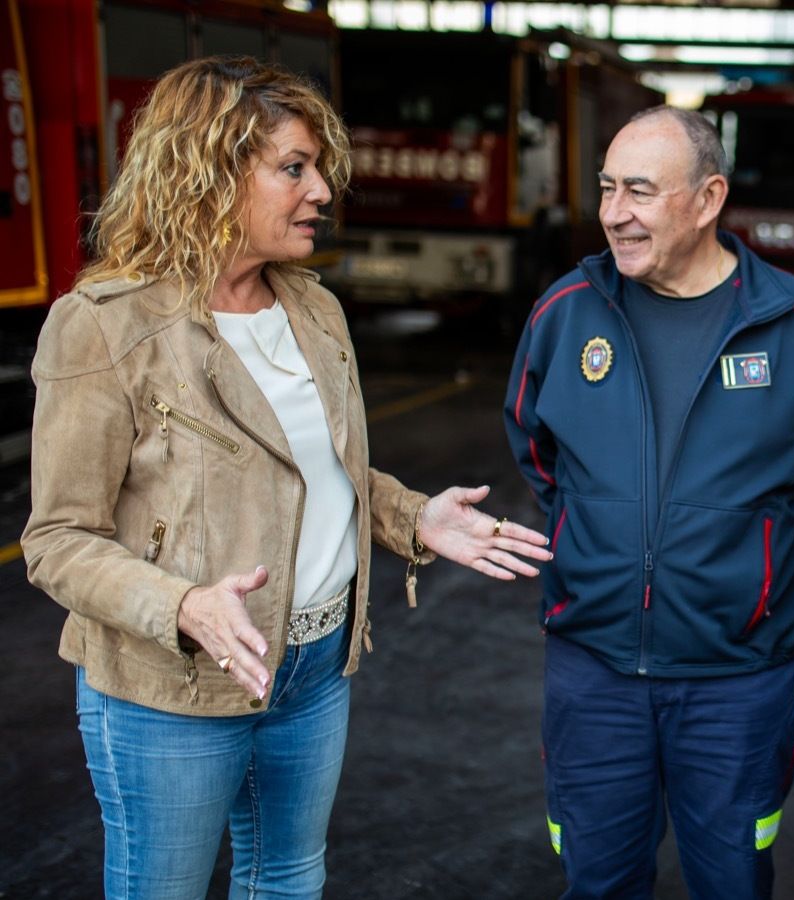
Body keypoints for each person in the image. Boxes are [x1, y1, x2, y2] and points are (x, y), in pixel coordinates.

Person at [21, 56, 554, 899]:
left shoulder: (313, 308)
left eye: (318, 171)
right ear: (207, 172)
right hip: (176, 684)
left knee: (289, 882)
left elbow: (320, 473)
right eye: (294, 169)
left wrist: (416, 519)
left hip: (314, 666)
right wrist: (184, 605)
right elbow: (57, 540)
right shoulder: (104, 326)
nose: (319, 194)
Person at [503, 106, 794, 899]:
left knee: (733, 882)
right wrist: (601, 531)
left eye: (639, 190)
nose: (614, 213)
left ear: (708, 199)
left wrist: (747, 552)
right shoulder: (567, 312)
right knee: (597, 882)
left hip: (737, 681)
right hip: (593, 669)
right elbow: (535, 449)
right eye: (607, 188)